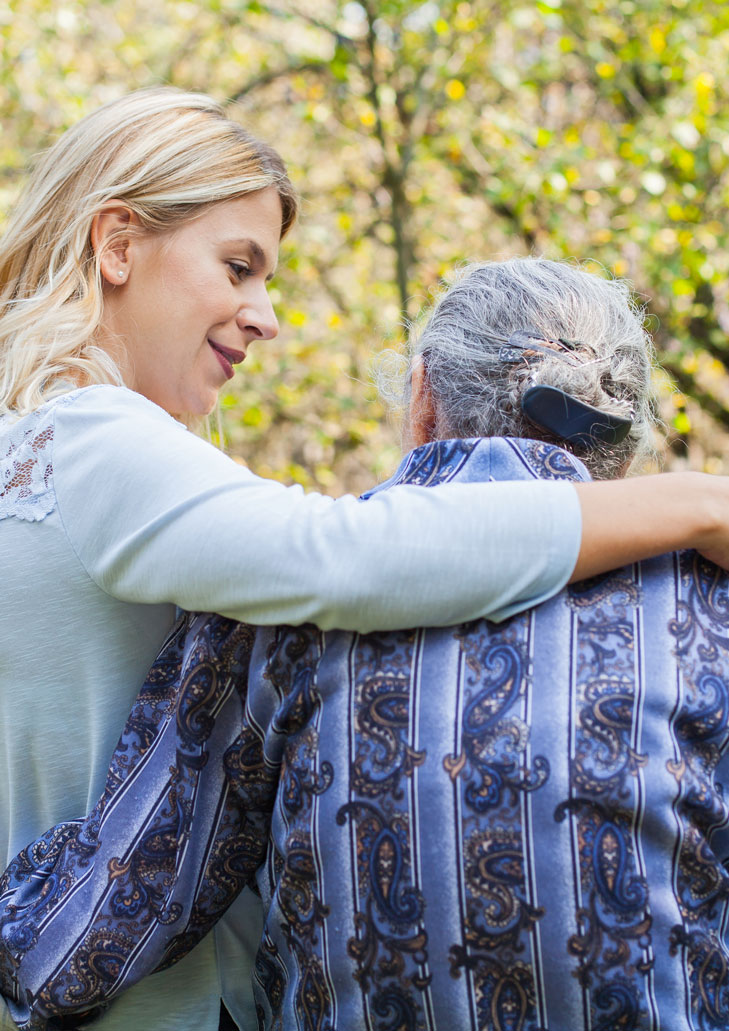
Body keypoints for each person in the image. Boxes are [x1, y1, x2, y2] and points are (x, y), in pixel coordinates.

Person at [3, 257, 729, 1031]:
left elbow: (89, 942)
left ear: (422, 399)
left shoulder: (277, 608)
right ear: (617, 443)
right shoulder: (706, 604)